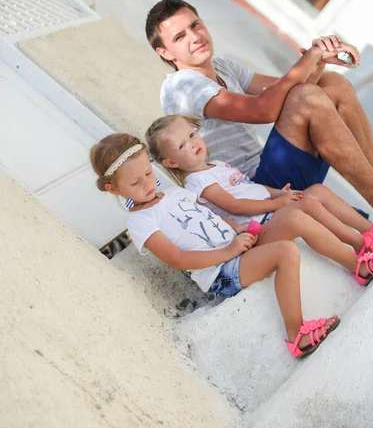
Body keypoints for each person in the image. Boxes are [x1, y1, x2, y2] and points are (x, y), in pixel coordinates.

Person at [90, 132, 340, 358]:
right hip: (221, 272)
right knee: (286, 252)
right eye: (135, 183)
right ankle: (297, 335)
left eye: (148, 173)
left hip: (237, 246)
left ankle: (359, 259)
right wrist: (228, 251)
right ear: (114, 189)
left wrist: (236, 227)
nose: (146, 183)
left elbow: (208, 216)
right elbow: (176, 258)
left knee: (294, 215)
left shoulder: (175, 194)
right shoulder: (141, 221)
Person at [145, 0, 373, 216]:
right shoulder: (182, 85)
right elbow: (264, 110)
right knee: (307, 96)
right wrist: (308, 57)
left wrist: (319, 60)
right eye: (180, 37)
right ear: (165, 52)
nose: (195, 37)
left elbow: (291, 90)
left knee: (332, 84)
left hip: (273, 172)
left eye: (195, 25)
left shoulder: (222, 66)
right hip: (253, 192)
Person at [145, 114, 373, 285]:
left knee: (316, 191)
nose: (191, 144)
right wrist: (277, 204)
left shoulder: (216, 165)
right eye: (181, 146)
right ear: (170, 163)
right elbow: (236, 206)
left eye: (191, 135)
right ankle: (360, 251)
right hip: (258, 229)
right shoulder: (197, 182)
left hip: (270, 212)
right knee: (307, 205)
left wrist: (279, 194)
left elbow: (251, 188)